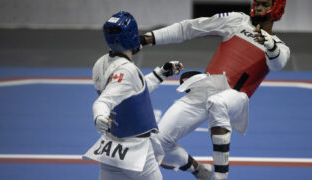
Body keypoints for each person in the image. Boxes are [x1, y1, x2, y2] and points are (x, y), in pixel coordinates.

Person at [140, 0, 290, 179]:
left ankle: (220, 177)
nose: (258, 7)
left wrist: (270, 45)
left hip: (235, 97)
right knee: (158, 141)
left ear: (277, 9)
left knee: (217, 103)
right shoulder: (236, 20)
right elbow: (190, 27)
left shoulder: (280, 47)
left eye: (264, 4)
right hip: (206, 87)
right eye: (257, 3)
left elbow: (277, 64)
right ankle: (198, 170)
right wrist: (146, 38)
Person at [83, 11, 183, 180]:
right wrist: (99, 116)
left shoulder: (101, 63)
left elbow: (130, 93)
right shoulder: (127, 70)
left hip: (110, 145)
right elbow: (104, 101)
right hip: (136, 150)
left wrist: (161, 74)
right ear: (132, 36)